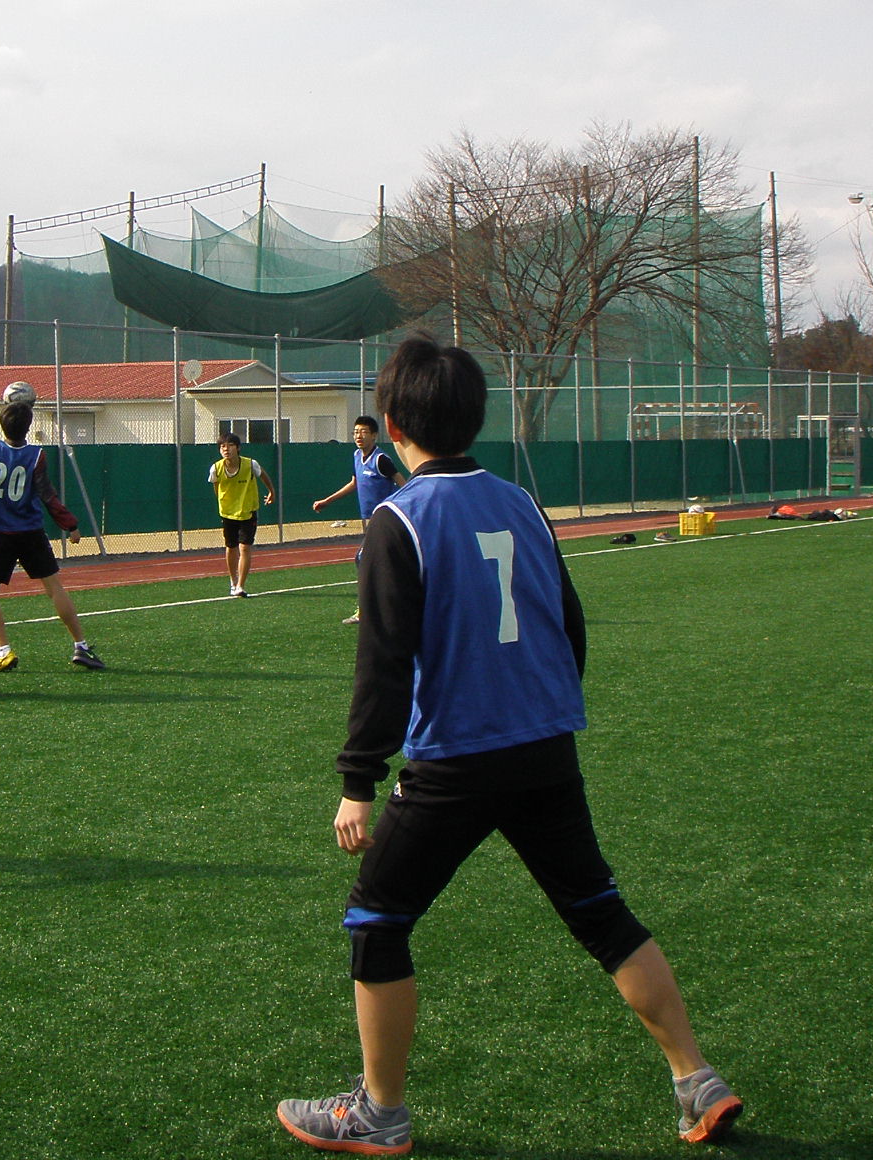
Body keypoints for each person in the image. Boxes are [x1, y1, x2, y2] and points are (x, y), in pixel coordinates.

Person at [275, 333, 742, 1155]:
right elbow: (569, 623)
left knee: (377, 919)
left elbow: (382, 663)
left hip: (457, 759)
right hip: (544, 748)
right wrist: (548, 707)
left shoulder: (398, 518)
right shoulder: (521, 502)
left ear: (388, 422)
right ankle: (695, 1078)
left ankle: (379, 1113)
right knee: (601, 914)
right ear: (475, 419)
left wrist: (358, 780)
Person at [0, 398, 105, 671]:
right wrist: (70, 525)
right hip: (31, 533)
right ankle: (81, 646)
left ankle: (5, 651)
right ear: (28, 428)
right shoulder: (36, 455)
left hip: (1, 533)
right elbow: (47, 495)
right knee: (54, 589)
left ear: (1, 424)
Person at [312, 415, 406, 624]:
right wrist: (327, 501)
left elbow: (403, 484)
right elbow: (355, 483)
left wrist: (402, 511)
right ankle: (390, 605)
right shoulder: (356, 456)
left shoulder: (381, 459)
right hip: (370, 521)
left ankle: (368, 610)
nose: (358, 436)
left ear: (374, 435)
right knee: (382, 562)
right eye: (356, 432)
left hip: (385, 521)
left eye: (363, 432)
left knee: (363, 559)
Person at [209, 430, 277, 598]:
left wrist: (271, 492)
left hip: (247, 511)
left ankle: (241, 585)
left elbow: (263, 475)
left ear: (238, 448)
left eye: (230, 445)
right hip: (228, 513)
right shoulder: (216, 468)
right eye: (222, 446)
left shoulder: (250, 464)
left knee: (245, 547)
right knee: (231, 548)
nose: (226, 449)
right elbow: (216, 489)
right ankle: (233, 582)